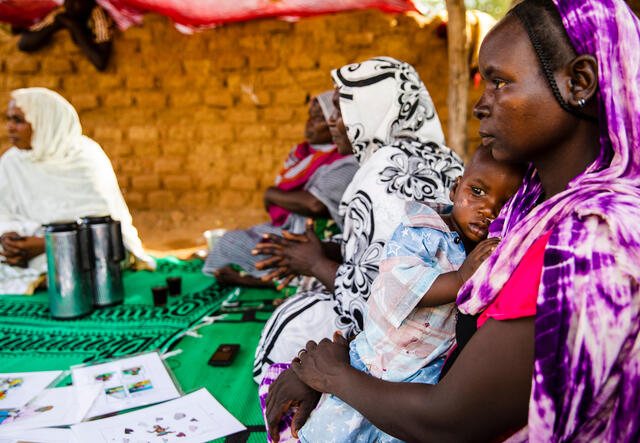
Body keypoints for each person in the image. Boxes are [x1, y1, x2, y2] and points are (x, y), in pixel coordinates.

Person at [263, 1, 640, 442]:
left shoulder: (586, 240)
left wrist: (332, 377)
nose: (482, 105)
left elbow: (448, 421)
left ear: (579, 82)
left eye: (500, 82)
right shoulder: (531, 205)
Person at [287, 145, 525, 443]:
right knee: (338, 432)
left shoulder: (490, 249)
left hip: (426, 376)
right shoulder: (421, 232)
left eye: (505, 203)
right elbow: (399, 284)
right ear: (454, 189)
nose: (489, 210)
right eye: (477, 191)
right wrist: (461, 277)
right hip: (378, 364)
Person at [252, 56, 465, 383]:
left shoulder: (385, 167)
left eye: (343, 108)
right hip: (449, 332)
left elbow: (383, 293)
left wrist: (313, 264)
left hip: (409, 338)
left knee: (291, 324)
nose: (333, 120)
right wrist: (322, 249)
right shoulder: (443, 156)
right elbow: (387, 244)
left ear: (375, 108)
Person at [1, 87, 151, 294]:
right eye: (8, 119)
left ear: (45, 122)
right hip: (25, 248)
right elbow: (4, 214)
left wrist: (48, 244)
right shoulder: (11, 162)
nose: (9, 128)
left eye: (18, 120)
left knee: (95, 255)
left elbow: (102, 229)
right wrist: (9, 239)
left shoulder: (84, 157)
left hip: (79, 246)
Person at [202, 91, 359, 288]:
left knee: (291, 254)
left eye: (321, 118)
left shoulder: (346, 161)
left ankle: (262, 280)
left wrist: (271, 194)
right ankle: (266, 275)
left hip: (319, 237)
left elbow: (315, 204)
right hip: (291, 228)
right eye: (310, 116)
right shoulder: (301, 154)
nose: (310, 123)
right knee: (230, 240)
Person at [17, 0, 113, 71]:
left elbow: (100, 62)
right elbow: (23, 44)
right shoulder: (61, 11)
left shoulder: (98, 14)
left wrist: (74, 27)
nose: (69, 5)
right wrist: (59, 23)